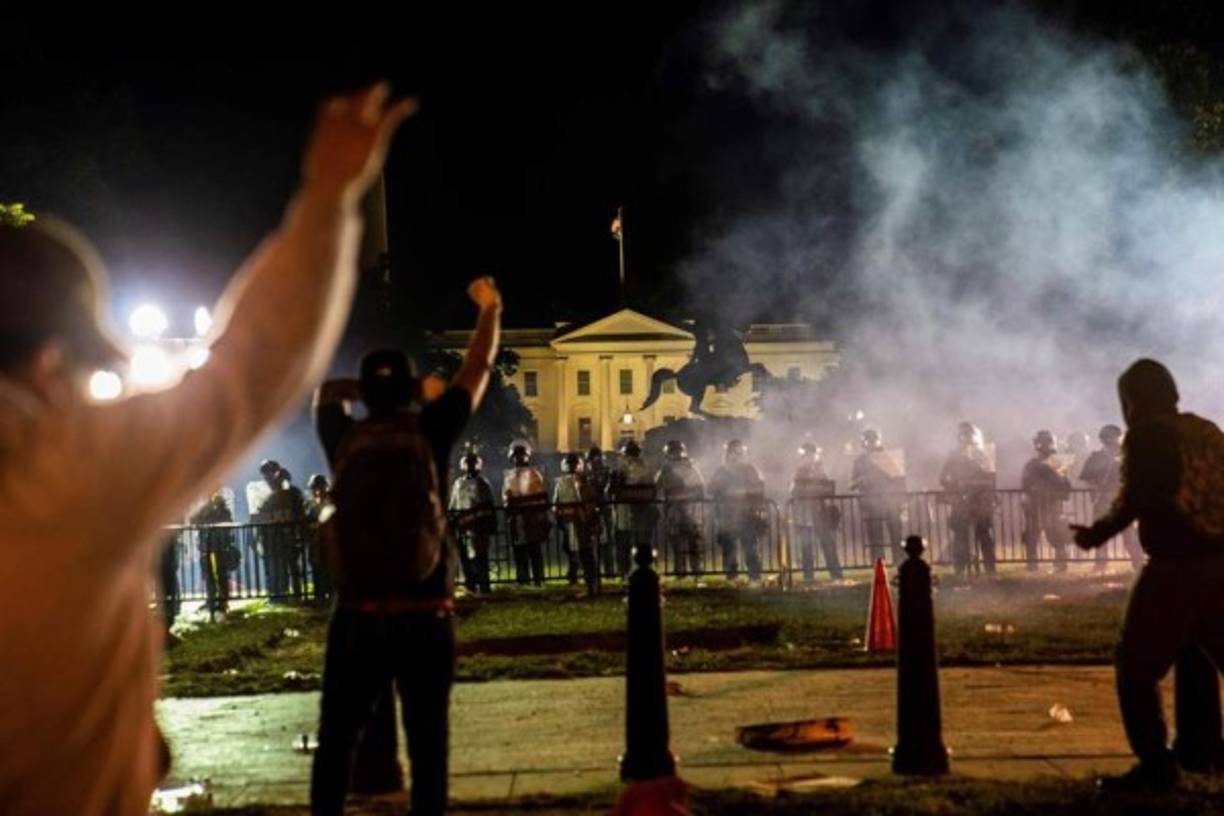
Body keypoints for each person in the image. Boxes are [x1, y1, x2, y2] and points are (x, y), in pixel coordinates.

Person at [0, 83, 415, 815]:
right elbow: (250, 368)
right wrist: (327, 197)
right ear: (47, 364)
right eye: (91, 373)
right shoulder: (63, 466)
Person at [309, 275, 501, 816]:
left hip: (357, 614)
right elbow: (478, 368)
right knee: (429, 746)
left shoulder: (342, 436)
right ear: (412, 389)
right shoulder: (433, 431)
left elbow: (325, 390)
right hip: (426, 614)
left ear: (366, 393)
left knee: (336, 743)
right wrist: (490, 309)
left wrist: (376, 392)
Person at [1072, 359, 1224, 792]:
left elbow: (1140, 494)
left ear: (1132, 400)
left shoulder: (1149, 435)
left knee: (1135, 664)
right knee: (1202, 651)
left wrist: (1096, 534)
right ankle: (1204, 749)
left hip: (1178, 563)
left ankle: (1155, 764)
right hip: (1221, 558)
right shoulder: (1205, 429)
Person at [1078, 424, 1144, 572]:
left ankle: (1138, 563)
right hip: (1103, 500)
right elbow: (1086, 479)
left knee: (1129, 534)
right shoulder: (1096, 458)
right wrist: (1095, 489)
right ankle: (1100, 565)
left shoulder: (1126, 456)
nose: (1114, 440)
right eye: (1112, 438)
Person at [939, 422, 997, 578]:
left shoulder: (984, 455)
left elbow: (991, 478)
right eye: (964, 435)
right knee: (960, 537)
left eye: (969, 435)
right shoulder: (954, 456)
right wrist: (956, 487)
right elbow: (943, 478)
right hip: (961, 502)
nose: (967, 438)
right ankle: (960, 570)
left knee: (984, 536)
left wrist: (977, 486)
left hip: (980, 502)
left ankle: (990, 570)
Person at [710, 439, 767, 582]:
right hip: (727, 515)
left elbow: (759, 487)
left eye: (738, 452)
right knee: (729, 548)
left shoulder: (750, 469)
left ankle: (754, 577)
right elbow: (710, 488)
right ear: (727, 453)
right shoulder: (721, 471)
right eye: (731, 452)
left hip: (746, 514)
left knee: (750, 547)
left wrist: (747, 495)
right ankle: (732, 577)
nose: (734, 455)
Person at [789, 441, 843, 582]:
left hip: (819, 512)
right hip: (803, 513)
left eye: (811, 454)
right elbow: (794, 491)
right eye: (807, 454)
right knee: (806, 546)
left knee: (827, 543)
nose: (809, 457)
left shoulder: (820, 470)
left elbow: (828, 488)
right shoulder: (798, 471)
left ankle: (836, 574)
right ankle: (808, 576)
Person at [851, 429, 905, 565]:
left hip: (890, 501)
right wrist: (862, 480)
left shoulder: (887, 457)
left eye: (873, 440)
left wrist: (900, 499)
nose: (870, 443)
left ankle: (899, 561)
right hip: (871, 503)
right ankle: (878, 563)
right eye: (868, 440)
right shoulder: (860, 461)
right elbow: (852, 483)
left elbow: (899, 479)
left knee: (896, 533)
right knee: (875, 535)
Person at [1021, 430, 1072, 573]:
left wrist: (1058, 494)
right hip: (1035, 504)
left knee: (1055, 534)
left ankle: (1060, 564)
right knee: (1032, 534)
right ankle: (1032, 564)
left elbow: (1065, 485)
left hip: (1051, 504)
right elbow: (1025, 484)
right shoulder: (1032, 464)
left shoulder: (1056, 464)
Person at [655, 440, 706, 578]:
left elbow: (700, 488)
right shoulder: (666, 470)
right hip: (675, 511)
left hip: (690, 510)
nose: (676, 454)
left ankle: (694, 571)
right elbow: (658, 489)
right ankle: (683, 572)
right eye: (673, 451)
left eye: (677, 451)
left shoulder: (690, 467)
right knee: (679, 543)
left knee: (692, 542)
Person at [448, 448, 496, 594]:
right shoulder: (458, 483)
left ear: (478, 465)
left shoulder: (483, 483)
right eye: (467, 463)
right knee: (465, 559)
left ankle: (484, 586)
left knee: (480, 557)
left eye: (472, 463)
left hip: (478, 527)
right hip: (462, 527)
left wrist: (487, 523)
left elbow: (488, 505)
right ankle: (471, 586)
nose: (470, 466)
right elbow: (454, 502)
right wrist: (452, 518)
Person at [607, 439, 658, 577]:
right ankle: (631, 571)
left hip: (637, 512)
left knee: (635, 543)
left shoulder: (641, 470)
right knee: (631, 543)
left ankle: (630, 571)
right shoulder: (619, 471)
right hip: (629, 513)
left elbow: (651, 490)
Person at [552, 452, 601, 595]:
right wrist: (559, 518)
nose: (572, 467)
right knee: (571, 549)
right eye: (570, 464)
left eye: (574, 464)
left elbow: (591, 501)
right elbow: (556, 502)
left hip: (582, 522)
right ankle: (576, 576)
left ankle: (590, 580)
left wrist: (591, 519)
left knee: (586, 552)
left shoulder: (584, 481)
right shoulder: (562, 483)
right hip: (570, 522)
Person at [503, 441, 550, 586]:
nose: (519, 458)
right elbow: (506, 495)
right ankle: (523, 579)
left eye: (522, 455)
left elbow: (540, 494)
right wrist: (509, 506)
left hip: (532, 517)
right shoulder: (509, 475)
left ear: (527, 456)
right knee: (519, 550)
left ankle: (538, 578)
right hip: (517, 518)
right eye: (516, 455)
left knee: (534, 549)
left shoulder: (534, 473)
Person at [191, 488, 238, 615]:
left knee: (221, 575)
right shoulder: (204, 509)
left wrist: (217, 507)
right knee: (208, 576)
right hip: (206, 547)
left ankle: (222, 602)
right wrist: (205, 509)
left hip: (220, 547)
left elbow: (228, 523)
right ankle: (211, 601)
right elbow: (193, 521)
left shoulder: (224, 510)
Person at [585, 445, 616, 576]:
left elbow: (610, 489)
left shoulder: (608, 472)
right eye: (593, 460)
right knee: (592, 542)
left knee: (607, 541)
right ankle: (596, 570)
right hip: (591, 509)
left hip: (606, 508)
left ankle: (609, 570)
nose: (595, 462)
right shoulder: (586, 475)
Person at [303, 474, 334, 604]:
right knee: (317, 567)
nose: (317, 490)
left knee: (328, 568)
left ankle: (330, 595)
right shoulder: (310, 504)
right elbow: (306, 520)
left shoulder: (331, 501)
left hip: (328, 541)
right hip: (315, 542)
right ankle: (319, 596)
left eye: (320, 487)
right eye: (315, 487)